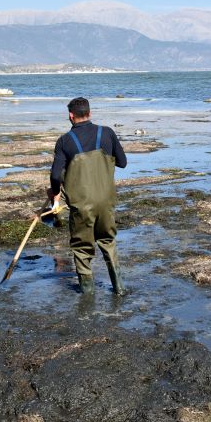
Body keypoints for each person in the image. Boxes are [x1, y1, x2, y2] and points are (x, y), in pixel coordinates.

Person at [48, 97, 128, 295]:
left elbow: (55, 175)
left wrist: (55, 193)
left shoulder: (65, 141)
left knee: (82, 249)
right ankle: (119, 289)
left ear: (70, 116)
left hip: (81, 205)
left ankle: (88, 297)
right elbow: (123, 162)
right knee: (108, 242)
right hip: (106, 201)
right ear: (90, 113)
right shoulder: (107, 132)